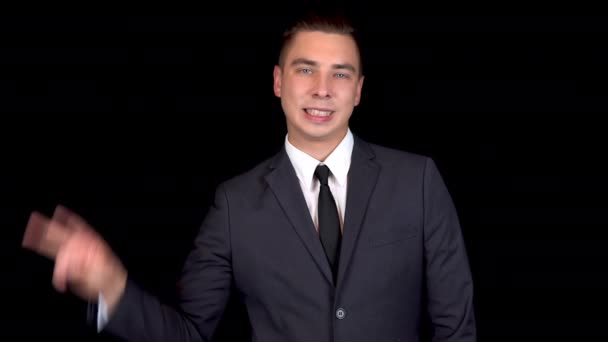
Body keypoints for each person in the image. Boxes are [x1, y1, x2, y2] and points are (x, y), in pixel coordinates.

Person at [22, 9, 477, 341]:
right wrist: (112, 287)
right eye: (306, 70)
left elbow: (456, 329)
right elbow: (190, 334)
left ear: (358, 91)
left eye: (340, 74)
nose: (322, 89)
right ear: (279, 82)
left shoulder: (417, 182)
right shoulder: (235, 205)